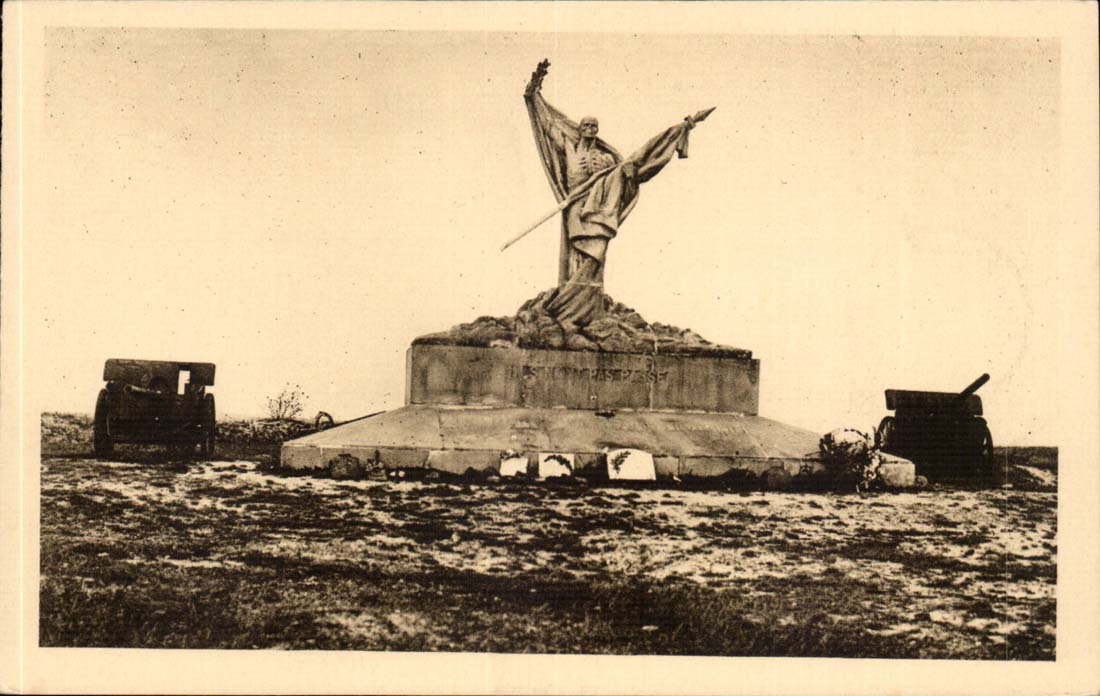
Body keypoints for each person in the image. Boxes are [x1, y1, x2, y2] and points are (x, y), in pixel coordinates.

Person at [523, 59, 710, 334]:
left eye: (594, 126)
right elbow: (547, 126)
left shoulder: (608, 158)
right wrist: (533, 94)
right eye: (586, 125)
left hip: (598, 211)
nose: (590, 129)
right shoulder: (569, 148)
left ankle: (582, 308)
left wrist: (675, 135)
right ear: (579, 128)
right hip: (575, 207)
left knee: (594, 255)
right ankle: (566, 305)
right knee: (575, 254)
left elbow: (630, 172)